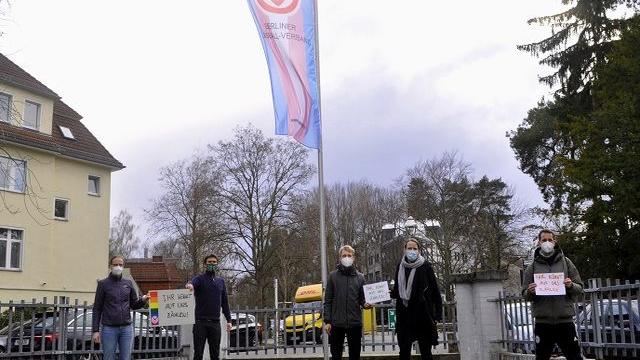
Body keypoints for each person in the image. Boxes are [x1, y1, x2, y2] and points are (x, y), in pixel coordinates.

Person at [523, 229, 584, 360]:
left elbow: (580, 288)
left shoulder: (567, 263)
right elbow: (524, 293)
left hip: (565, 320)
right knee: (542, 357)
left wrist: (571, 285)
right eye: (544, 240)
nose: (547, 243)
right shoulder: (531, 267)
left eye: (550, 240)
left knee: (575, 357)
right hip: (542, 322)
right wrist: (529, 291)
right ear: (539, 242)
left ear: (555, 242)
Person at [391, 238, 442, 360]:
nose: (412, 251)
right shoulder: (400, 266)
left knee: (426, 352)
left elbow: (435, 291)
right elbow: (398, 290)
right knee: (404, 352)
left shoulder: (425, 266)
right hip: (404, 315)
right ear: (404, 250)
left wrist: (437, 315)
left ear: (419, 250)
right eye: (409, 248)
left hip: (422, 315)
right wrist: (388, 292)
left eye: (415, 248)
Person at [92, 255, 150, 360]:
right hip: (109, 328)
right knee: (108, 357)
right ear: (110, 266)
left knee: (126, 357)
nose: (118, 267)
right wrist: (95, 330)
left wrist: (143, 300)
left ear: (123, 266)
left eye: (120, 264)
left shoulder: (128, 283)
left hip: (126, 329)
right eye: (115, 264)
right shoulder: (103, 284)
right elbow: (97, 308)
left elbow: (134, 304)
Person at [323, 245, 371, 360]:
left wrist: (366, 305)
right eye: (344, 255)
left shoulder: (360, 278)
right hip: (336, 323)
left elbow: (362, 299)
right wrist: (328, 321)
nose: (347, 257)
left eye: (349, 255)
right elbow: (328, 300)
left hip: (354, 323)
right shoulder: (332, 276)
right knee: (336, 355)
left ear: (353, 258)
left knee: (355, 355)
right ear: (340, 258)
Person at [186, 254, 232, 360]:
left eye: (214, 262)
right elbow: (193, 283)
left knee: (215, 354)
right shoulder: (199, 279)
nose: (212, 264)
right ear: (205, 264)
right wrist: (190, 285)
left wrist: (229, 320)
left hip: (215, 324)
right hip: (200, 323)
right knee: (198, 354)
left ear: (217, 264)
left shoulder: (221, 281)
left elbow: (225, 302)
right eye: (209, 262)